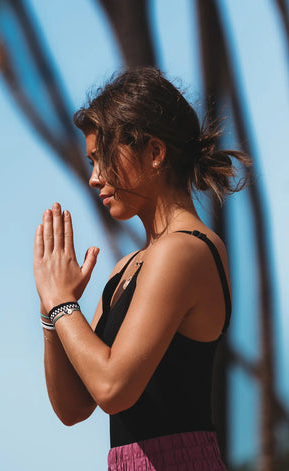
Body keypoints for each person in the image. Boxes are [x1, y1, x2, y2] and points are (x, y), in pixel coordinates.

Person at [33, 67, 249, 470]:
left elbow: (113, 387)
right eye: (92, 162)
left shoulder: (184, 250)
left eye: (104, 159)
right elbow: (74, 406)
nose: (95, 178)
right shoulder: (126, 269)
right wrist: (51, 312)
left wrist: (63, 302)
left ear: (154, 153)